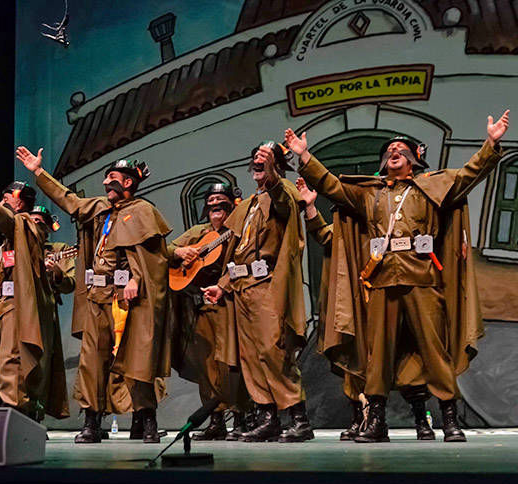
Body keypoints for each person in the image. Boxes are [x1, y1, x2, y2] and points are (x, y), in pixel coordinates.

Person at [287, 109, 509, 442]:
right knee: (378, 353)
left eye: (400, 150)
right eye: (389, 150)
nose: (393, 151)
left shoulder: (431, 187)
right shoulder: (370, 194)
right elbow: (331, 185)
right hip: (382, 281)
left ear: (414, 159)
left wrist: (490, 144)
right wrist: (305, 156)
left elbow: (469, 175)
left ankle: (449, 418)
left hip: (422, 278)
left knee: (434, 350)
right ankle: (376, 419)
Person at [16, 146, 172, 443]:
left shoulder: (143, 211)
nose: (104, 183)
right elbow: (69, 200)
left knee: (136, 359)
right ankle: (91, 421)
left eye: (111, 177)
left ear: (128, 182)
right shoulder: (100, 208)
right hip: (97, 296)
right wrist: (38, 172)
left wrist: (137, 279)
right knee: (92, 361)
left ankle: (146, 419)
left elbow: (153, 258)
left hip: (127, 300)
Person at [296, 177, 435, 441]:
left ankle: (421, 420)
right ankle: (361, 419)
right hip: (361, 299)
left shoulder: (387, 219)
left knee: (407, 356)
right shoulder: (349, 224)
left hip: (391, 293)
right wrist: (311, 207)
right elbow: (326, 236)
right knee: (358, 359)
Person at [202, 143, 311, 443]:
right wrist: (222, 285)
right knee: (250, 357)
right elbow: (239, 251)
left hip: (268, 286)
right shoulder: (248, 205)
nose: (258, 161)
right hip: (242, 288)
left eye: (266, 158)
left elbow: (282, 201)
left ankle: (299, 419)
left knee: (274, 353)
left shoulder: (283, 191)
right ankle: (268, 418)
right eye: (256, 158)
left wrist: (273, 169)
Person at [0, 174, 68, 421]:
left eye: (6, 197)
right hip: (7, 305)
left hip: (22, 305)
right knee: (9, 358)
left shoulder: (27, 225)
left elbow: (7, 219)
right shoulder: (9, 240)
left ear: (19, 201)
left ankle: (17, 412)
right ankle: (21, 411)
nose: (2, 201)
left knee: (17, 358)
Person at [167, 183, 250, 441]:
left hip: (230, 304)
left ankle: (240, 417)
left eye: (220, 201)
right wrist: (179, 252)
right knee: (206, 365)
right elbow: (165, 250)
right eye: (211, 201)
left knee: (231, 363)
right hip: (200, 306)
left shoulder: (238, 232)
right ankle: (215, 420)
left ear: (230, 205)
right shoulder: (198, 232)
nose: (215, 205)